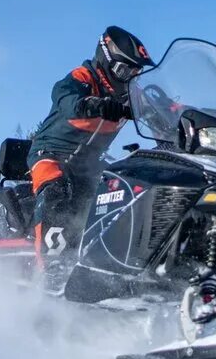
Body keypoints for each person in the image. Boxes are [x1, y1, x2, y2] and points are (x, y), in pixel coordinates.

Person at [28, 26, 154, 287]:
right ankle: (52, 271)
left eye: (135, 72)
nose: (130, 77)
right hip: (52, 154)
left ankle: (121, 264)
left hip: (89, 163)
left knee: (128, 189)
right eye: (125, 70)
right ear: (107, 60)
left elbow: (159, 107)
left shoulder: (131, 94)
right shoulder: (83, 77)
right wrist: (91, 103)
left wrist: (184, 115)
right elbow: (65, 97)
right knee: (57, 189)